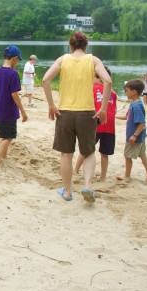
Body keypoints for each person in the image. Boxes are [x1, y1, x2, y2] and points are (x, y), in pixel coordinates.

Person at [42, 32, 112, 203]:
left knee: (66, 154)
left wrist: (51, 105)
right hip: (86, 113)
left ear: (70, 45)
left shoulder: (63, 59)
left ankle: (67, 192)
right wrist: (103, 109)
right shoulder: (93, 60)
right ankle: (87, 186)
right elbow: (108, 81)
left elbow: (45, 80)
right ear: (86, 45)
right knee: (88, 153)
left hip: (64, 113)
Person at [0, 45, 28, 168]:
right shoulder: (13, 74)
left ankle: (4, 156)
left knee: (4, 135)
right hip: (8, 111)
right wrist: (23, 112)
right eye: (18, 60)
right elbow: (14, 94)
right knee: (9, 137)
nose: (17, 63)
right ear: (14, 58)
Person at [74, 65, 117, 182]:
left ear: (99, 78)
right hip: (110, 127)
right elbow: (113, 110)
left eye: (92, 77)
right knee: (105, 153)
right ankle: (103, 176)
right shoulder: (113, 94)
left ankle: (76, 170)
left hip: (95, 125)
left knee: (85, 149)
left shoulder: (93, 89)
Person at [115, 79, 147, 183]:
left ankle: (127, 175)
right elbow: (127, 116)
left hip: (135, 136)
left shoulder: (137, 106)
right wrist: (114, 116)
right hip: (140, 136)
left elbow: (142, 122)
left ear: (134, 92)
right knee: (142, 155)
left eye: (127, 90)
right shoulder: (134, 104)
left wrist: (134, 136)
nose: (125, 92)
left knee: (127, 155)